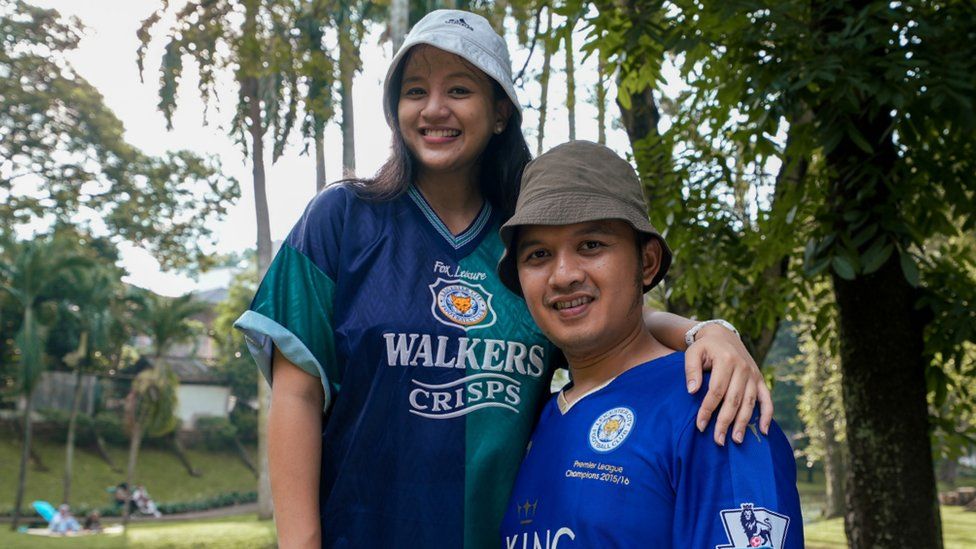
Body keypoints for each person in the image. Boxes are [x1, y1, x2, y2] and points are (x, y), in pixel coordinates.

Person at [234, 9, 772, 548]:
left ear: (499, 112)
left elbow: (611, 316)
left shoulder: (529, 239)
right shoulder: (342, 220)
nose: (435, 109)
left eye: (460, 89)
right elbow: (297, 394)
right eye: (415, 90)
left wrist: (707, 332)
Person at [497, 141, 802, 548]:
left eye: (591, 245)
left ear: (648, 262)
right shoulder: (537, 417)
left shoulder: (713, 405)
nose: (563, 275)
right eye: (538, 254)